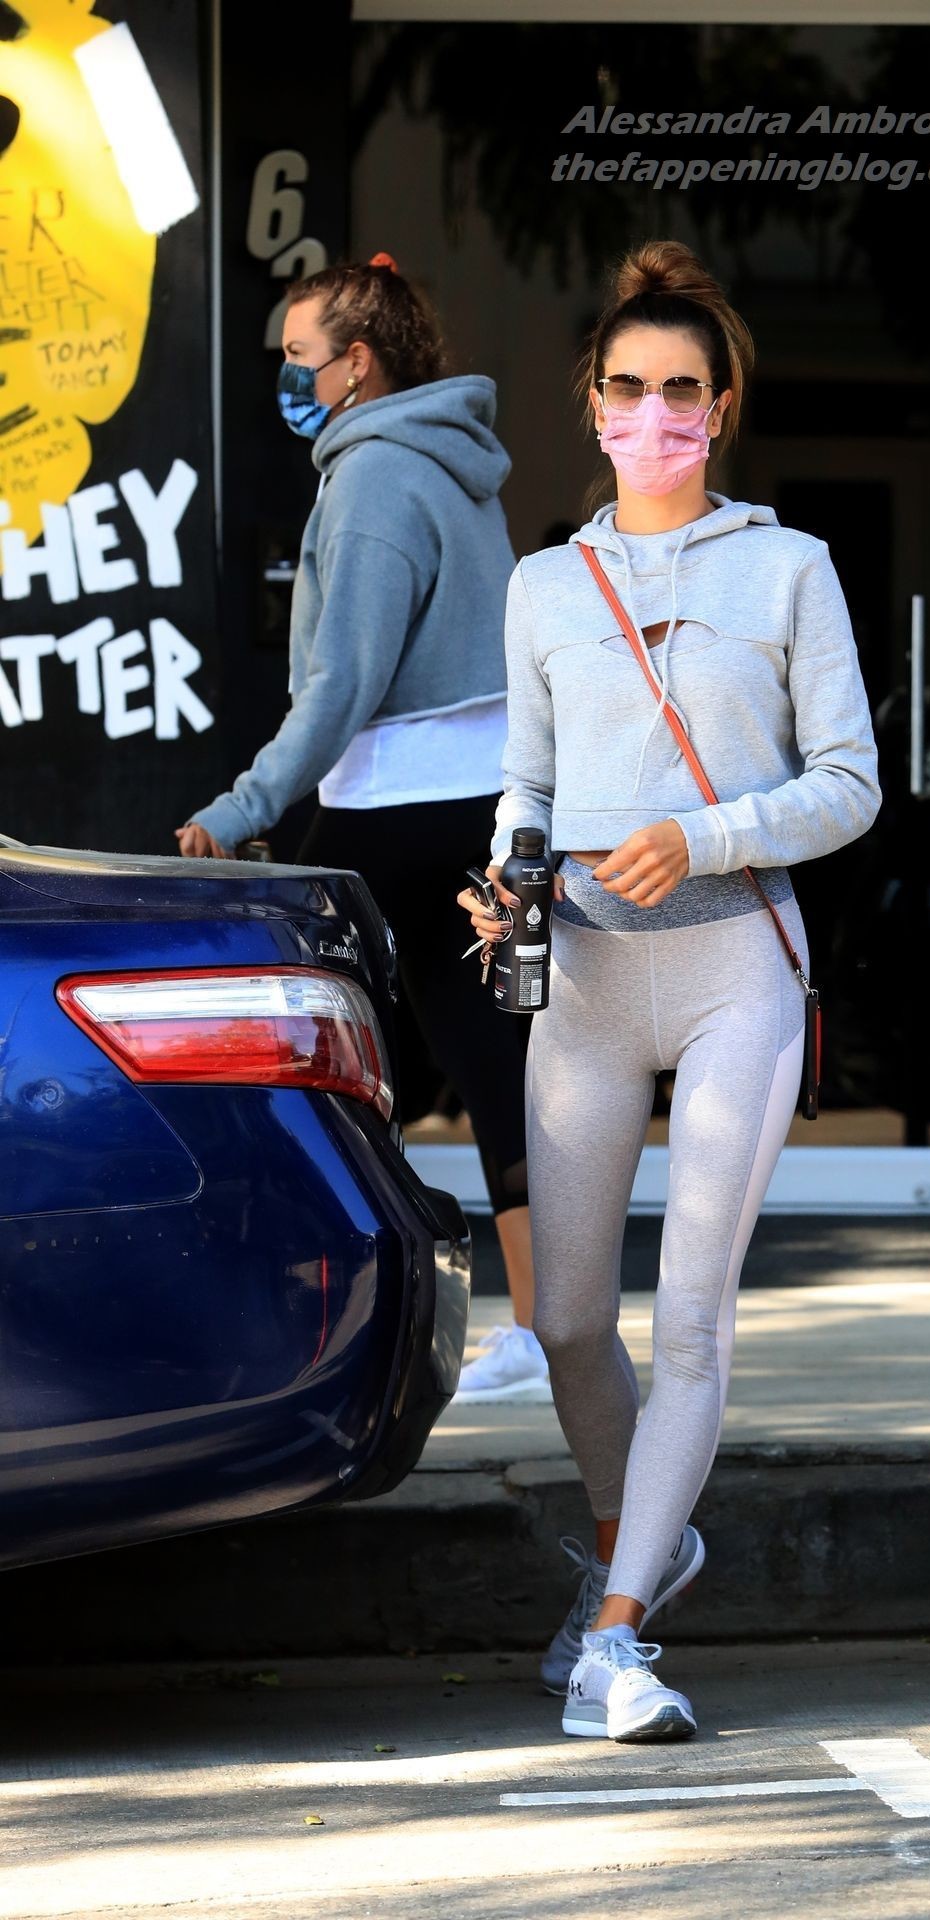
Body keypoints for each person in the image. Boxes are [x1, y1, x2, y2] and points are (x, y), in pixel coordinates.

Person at [458, 239, 881, 1742]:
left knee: (689, 1316)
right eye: (629, 387)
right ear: (591, 401)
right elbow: (526, 776)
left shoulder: (790, 567)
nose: (654, 415)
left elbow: (850, 785)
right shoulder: (541, 584)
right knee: (571, 1320)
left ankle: (617, 1631)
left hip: (734, 968)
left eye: (682, 391)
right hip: (580, 970)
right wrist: (508, 869)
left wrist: (700, 835)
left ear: (721, 409)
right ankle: (641, 1542)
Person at [177, 255, 549, 1403]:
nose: (287, 377)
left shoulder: (376, 476)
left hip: (389, 807)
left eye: (298, 357)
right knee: (490, 1061)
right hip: (476, 804)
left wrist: (241, 807)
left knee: (277, 1047)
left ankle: (269, 1309)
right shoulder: (452, 463)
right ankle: (545, 1328)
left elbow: (341, 685)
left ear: (356, 363)